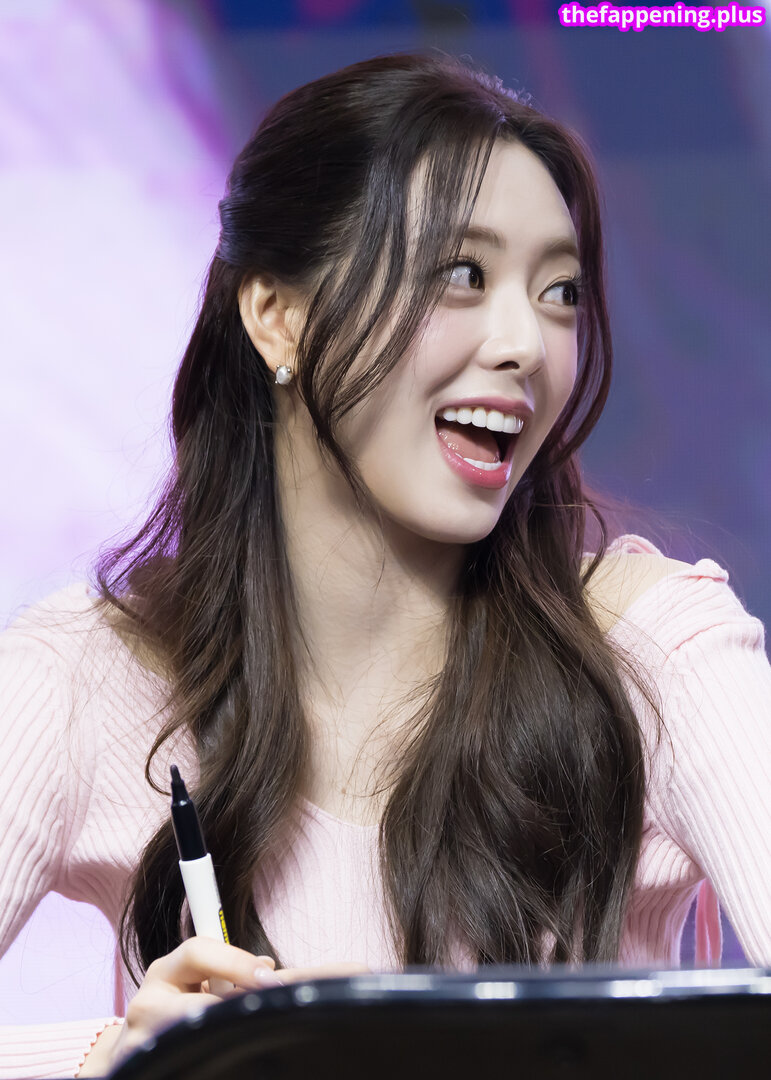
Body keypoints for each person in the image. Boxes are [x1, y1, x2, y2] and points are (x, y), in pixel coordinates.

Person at [1, 52, 769, 1079]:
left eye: (560, 292)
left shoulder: (655, 653)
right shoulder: (85, 677)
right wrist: (123, 1058)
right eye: (463, 275)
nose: (525, 344)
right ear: (277, 314)